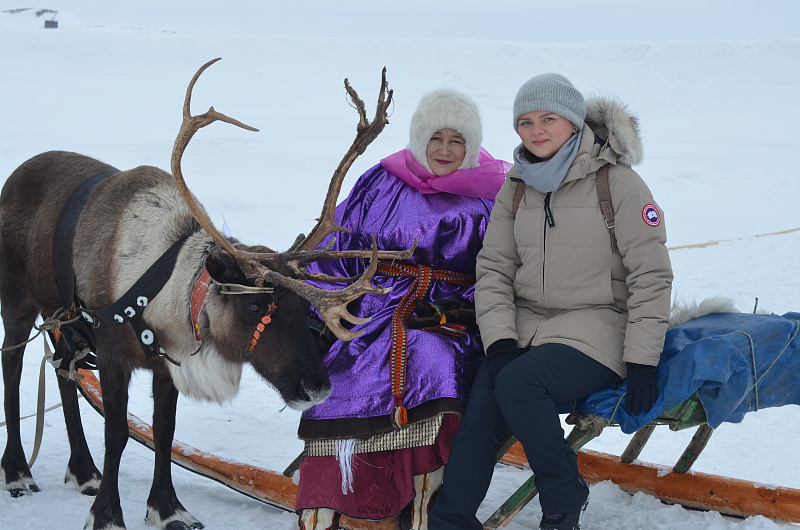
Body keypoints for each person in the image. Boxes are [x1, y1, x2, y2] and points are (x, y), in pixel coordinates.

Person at [428, 74, 674, 530]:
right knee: (481, 407)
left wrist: (642, 359)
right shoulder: (517, 184)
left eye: (548, 119)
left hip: (598, 326)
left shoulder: (618, 182)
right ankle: (449, 521)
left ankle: (563, 496)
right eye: (525, 122)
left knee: (519, 381)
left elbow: (651, 275)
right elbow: (494, 269)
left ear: (574, 122)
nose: (536, 131)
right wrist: (501, 341)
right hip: (526, 326)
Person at [295, 89, 511, 530]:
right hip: (374, 304)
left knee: (433, 361)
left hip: (447, 315)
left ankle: (425, 507)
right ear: (419, 138)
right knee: (344, 366)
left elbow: (501, 270)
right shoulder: (382, 181)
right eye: (436, 138)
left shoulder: (491, 197)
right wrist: (321, 304)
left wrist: (457, 309)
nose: (445, 150)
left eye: (457, 140)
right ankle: (334, 500)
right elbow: (339, 244)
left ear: (471, 145)